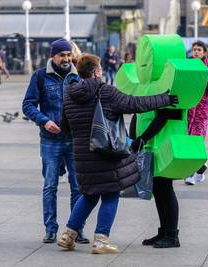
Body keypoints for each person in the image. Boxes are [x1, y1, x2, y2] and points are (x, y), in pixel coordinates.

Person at [57, 53, 177, 253]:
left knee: (88, 194)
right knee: (111, 194)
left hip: (82, 154)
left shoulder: (69, 95)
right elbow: (134, 104)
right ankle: (101, 241)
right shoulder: (105, 91)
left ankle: (68, 235)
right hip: (106, 152)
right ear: (97, 72)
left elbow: (65, 127)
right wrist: (164, 99)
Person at [22, 38, 88, 244]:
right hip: (50, 141)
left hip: (75, 140)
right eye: (62, 55)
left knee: (78, 187)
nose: (66, 58)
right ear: (53, 56)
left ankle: (76, 229)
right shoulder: (40, 76)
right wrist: (44, 121)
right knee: (50, 185)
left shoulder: (77, 77)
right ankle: (50, 228)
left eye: (68, 55)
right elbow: (28, 105)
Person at [184, 41, 208, 185]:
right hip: (187, 109)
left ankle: (190, 174)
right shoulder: (186, 65)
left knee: (196, 140)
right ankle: (200, 167)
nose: (196, 52)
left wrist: (204, 77)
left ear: (204, 52)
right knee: (188, 141)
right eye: (194, 50)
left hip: (201, 110)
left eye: (199, 50)